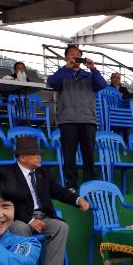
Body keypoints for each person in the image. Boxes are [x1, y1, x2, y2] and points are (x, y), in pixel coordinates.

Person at [4, 137, 89, 265]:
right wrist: (30, 221)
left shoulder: (43, 172)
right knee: (20, 229)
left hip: (43, 216)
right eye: (34, 154)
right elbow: (9, 204)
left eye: (39, 153)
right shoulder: (8, 174)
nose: (39, 157)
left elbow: (59, 191)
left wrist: (78, 200)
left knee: (61, 227)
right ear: (22, 157)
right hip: (19, 217)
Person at [46, 44, 106, 193]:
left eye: (77, 54)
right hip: (68, 119)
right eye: (71, 54)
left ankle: (89, 184)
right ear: (66, 57)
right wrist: (66, 67)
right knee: (69, 154)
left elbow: (102, 84)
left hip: (88, 119)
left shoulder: (89, 75)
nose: (74, 56)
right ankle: (71, 185)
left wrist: (93, 68)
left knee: (88, 154)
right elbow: (52, 82)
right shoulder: (62, 74)